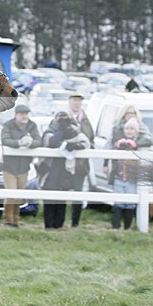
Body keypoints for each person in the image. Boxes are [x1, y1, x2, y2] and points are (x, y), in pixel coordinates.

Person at [39, 111, 90, 229]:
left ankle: (59, 225)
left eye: (65, 118)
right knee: (49, 195)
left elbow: (85, 142)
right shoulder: (50, 130)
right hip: (50, 168)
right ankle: (48, 225)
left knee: (62, 196)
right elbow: (51, 142)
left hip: (65, 168)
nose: (62, 121)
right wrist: (61, 132)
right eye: (60, 119)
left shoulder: (74, 130)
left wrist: (75, 145)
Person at [0, 103, 41, 227]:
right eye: (22, 114)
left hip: (24, 165)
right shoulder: (8, 125)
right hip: (9, 166)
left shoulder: (32, 126)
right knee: (11, 193)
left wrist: (30, 143)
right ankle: (8, 219)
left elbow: (39, 141)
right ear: (16, 115)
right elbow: (5, 140)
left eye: (26, 114)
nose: (25, 116)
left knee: (20, 194)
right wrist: (19, 143)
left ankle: (15, 220)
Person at [110, 118, 151, 229]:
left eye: (132, 128)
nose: (129, 131)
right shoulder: (120, 142)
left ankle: (127, 227)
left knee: (130, 203)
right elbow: (112, 150)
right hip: (119, 176)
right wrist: (118, 145)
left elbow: (148, 141)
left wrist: (134, 144)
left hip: (131, 178)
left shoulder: (140, 142)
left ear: (136, 131)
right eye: (127, 128)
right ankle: (115, 226)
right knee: (118, 202)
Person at [66, 93, 95, 227]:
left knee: (78, 191)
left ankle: (75, 222)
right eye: (74, 100)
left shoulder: (86, 120)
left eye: (79, 100)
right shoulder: (63, 117)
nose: (76, 103)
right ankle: (58, 221)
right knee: (62, 191)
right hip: (65, 162)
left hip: (81, 164)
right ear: (70, 102)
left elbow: (91, 139)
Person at [102, 103, 152, 181]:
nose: (130, 115)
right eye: (127, 113)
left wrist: (135, 144)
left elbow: (147, 140)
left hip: (135, 164)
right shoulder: (116, 128)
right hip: (118, 164)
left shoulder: (142, 127)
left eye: (132, 113)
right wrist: (105, 164)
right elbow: (109, 145)